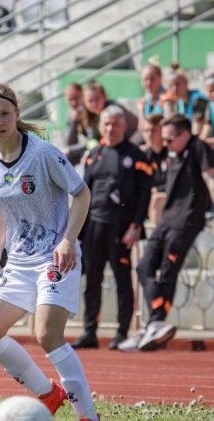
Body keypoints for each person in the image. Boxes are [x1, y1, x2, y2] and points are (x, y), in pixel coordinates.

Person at [0, 84, 99, 421]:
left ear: (17, 114)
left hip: (55, 258)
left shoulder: (43, 154)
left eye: (4, 114)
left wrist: (68, 240)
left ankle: (88, 416)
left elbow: (82, 194)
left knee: (47, 334)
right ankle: (48, 393)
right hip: (18, 261)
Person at [119, 114, 214, 352]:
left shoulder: (199, 147)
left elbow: (212, 180)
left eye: (170, 139)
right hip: (166, 220)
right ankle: (156, 323)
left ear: (185, 134)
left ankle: (155, 323)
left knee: (168, 273)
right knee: (143, 267)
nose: (166, 144)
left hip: (187, 221)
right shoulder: (170, 153)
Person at [70, 106, 151, 351]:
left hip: (121, 228)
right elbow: (83, 193)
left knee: (122, 280)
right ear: (100, 126)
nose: (110, 128)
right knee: (92, 280)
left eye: (115, 124)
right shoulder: (94, 154)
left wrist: (136, 226)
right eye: (106, 124)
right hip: (94, 227)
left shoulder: (136, 155)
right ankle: (90, 332)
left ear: (125, 126)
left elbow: (145, 194)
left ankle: (122, 332)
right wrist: (78, 231)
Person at [162, 63, 208, 136]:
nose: (174, 88)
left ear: (186, 83)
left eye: (178, 84)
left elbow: (197, 131)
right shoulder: (179, 103)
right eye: (171, 85)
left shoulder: (198, 100)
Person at [141, 114, 168, 223]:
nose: (149, 134)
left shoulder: (172, 153)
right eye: (146, 131)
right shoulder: (143, 155)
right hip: (151, 196)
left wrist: (157, 189)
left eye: (153, 130)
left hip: (172, 196)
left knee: (156, 199)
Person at [62, 83, 87, 165]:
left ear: (83, 95)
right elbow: (71, 142)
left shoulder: (89, 112)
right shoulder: (70, 113)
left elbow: (92, 139)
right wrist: (74, 121)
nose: (74, 103)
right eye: (70, 100)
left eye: (76, 98)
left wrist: (70, 150)